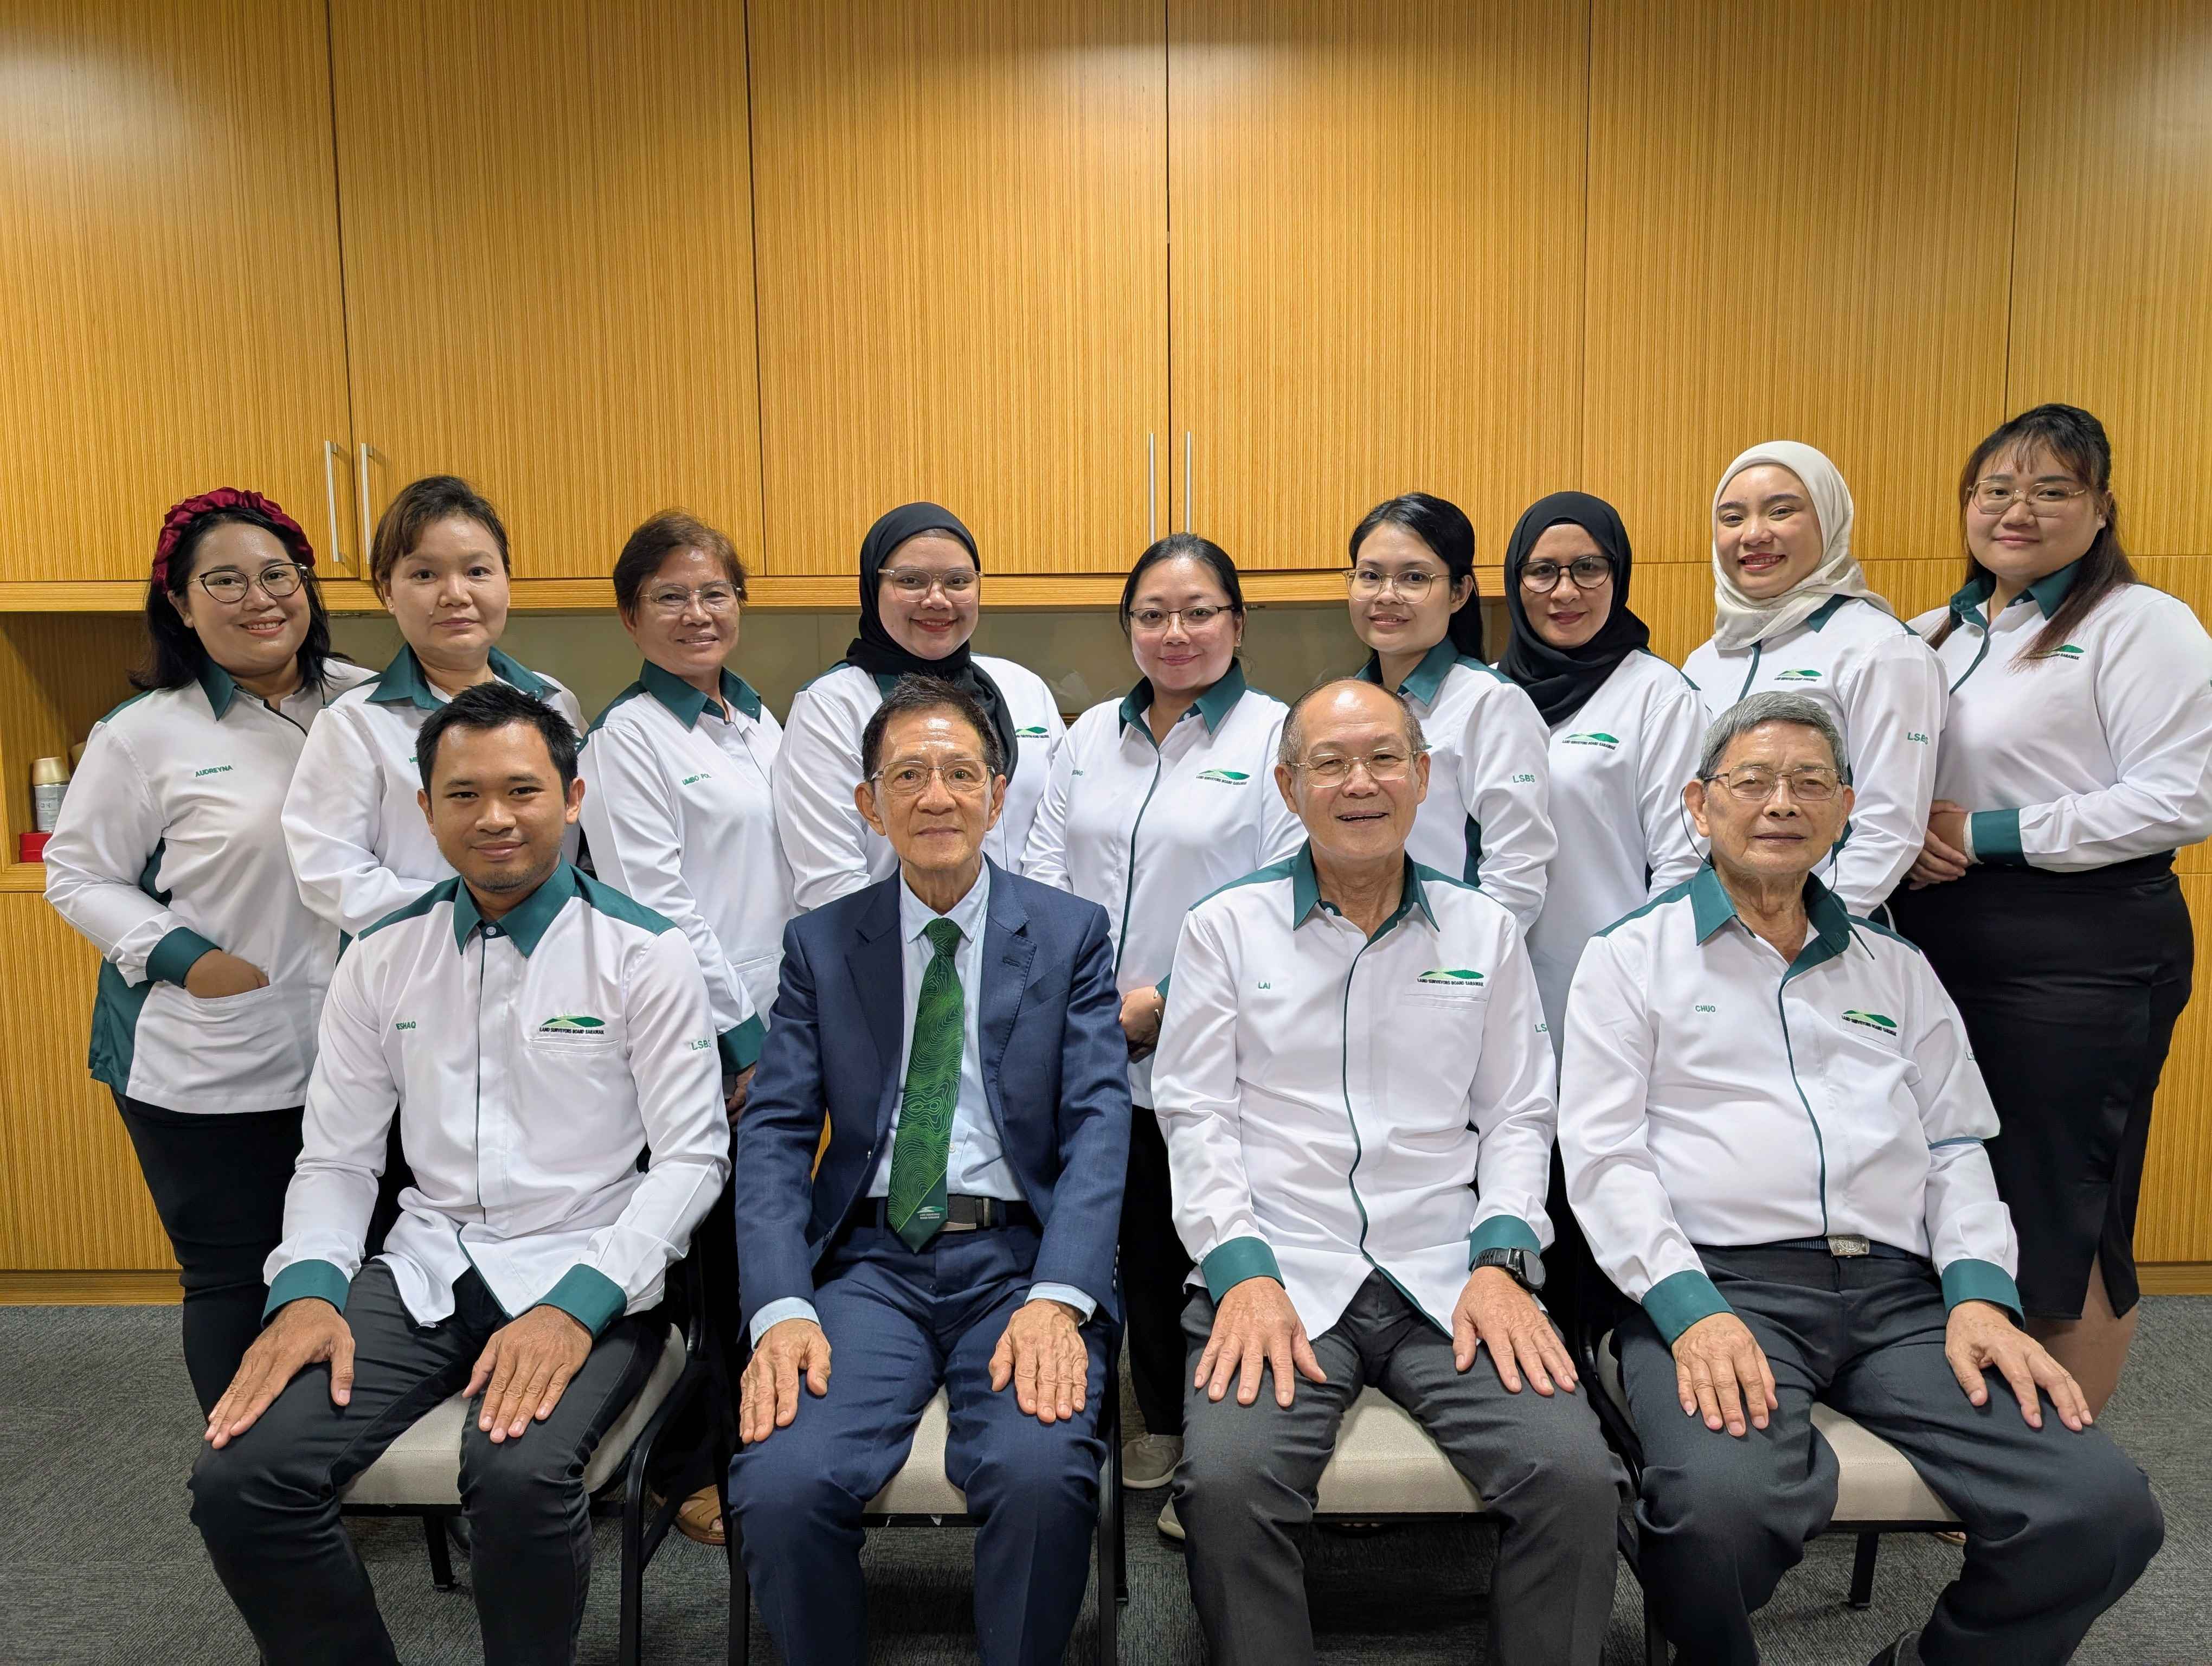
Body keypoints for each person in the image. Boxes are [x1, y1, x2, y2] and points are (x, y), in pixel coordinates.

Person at [1558, 692, 2163, 1666]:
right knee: (1716, 1517)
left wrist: (1979, 1295)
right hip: (1724, 1284)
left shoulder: (1898, 968)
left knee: (2102, 1510)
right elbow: (1604, 1155)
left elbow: (1957, 1144)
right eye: (1753, 781)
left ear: (1845, 810)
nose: (1781, 803)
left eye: (1810, 783)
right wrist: (1687, 1307)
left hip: (1902, 1297)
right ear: (1700, 804)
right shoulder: (1629, 958)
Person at [189, 683, 730, 1666]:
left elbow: (693, 1158)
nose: (494, 818)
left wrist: (577, 1306)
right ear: (426, 808)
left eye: (522, 790)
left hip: (591, 1268)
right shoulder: (381, 957)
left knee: (517, 1478)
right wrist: (306, 1288)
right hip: (427, 1269)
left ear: (572, 799)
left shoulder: (644, 954)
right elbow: (338, 1156)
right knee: (242, 1479)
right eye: (464, 794)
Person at [1152, 676, 1625, 1666]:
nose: (1359, 783)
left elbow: (1519, 1112)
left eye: (1383, 759)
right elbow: (1196, 1116)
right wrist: (1241, 1271)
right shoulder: (1223, 929)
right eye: (1329, 763)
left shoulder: (1483, 930)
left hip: (1450, 1272)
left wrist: (1504, 1257)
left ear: (1423, 776)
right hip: (1279, 1266)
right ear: (1289, 786)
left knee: (1577, 1482)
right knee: (1227, 1490)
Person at [728, 676, 1129, 1666]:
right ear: (870, 804)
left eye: (960, 772)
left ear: (999, 792)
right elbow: (775, 1134)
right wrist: (780, 1306)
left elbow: (1098, 1123)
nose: (937, 796)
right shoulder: (823, 944)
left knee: (1041, 1478)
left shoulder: (1069, 932)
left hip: (1019, 1261)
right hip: (868, 1266)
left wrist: (1061, 1295)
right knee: (780, 1486)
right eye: (908, 775)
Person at [1891, 403, 2212, 1415]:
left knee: (2063, 1201)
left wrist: (1984, 832)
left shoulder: (2139, 622)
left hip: (2081, 948)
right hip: (1935, 938)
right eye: (1996, 489)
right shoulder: (1932, 633)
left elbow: (2185, 794)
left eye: (2051, 489)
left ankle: (2066, 1462)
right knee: (1958, 1182)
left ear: (2102, 506)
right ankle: (1981, 1434)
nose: (2016, 510)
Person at [44, 489, 373, 1416]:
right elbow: (77, 874)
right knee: (236, 1279)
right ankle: (249, 1474)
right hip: (208, 1061)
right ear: (181, 605)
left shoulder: (367, 702)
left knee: (359, 1267)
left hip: (363, 1052)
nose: (260, 598)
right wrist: (189, 958)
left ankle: (347, 1459)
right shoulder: (145, 733)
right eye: (224, 581)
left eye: (278, 575)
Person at [1023, 533, 1302, 1497]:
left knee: (1216, 1231)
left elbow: (1284, 894)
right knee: (1133, 1225)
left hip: (1224, 1035)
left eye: (1198, 612)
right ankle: (1164, 1415)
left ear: (1238, 623)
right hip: (1092, 1033)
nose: (1175, 632)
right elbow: (1044, 868)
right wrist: (1087, 1000)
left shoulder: (1276, 737)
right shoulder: (1088, 738)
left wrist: (1163, 1003)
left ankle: (1236, 1431)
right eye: (1152, 615)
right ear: (1129, 627)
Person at [578, 508, 792, 1543]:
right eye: (670, 596)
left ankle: (751, 1439)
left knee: (762, 1244)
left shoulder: (754, 718)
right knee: (709, 1262)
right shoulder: (628, 737)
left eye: (714, 592)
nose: (697, 613)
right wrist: (740, 1039)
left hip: (778, 1020)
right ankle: (684, 1469)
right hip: (701, 1037)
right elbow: (654, 906)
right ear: (631, 616)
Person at [282, 475, 584, 940]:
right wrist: (486, 918)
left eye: (478, 571)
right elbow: (332, 877)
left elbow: (579, 845)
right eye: (425, 575)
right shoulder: (354, 722)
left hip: (555, 947)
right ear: (387, 591)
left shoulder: (554, 701)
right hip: (417, 957)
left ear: (507, 581)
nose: (456, 594)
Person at [1681, 443, 1944, 917]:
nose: (1754, 534)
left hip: (1822, 931)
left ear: (1829, 519)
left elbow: (1888, 829)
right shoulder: (1704, 660)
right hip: (1709, 926)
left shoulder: (1882, 649)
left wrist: (1806, 930)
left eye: (1781, 511)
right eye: (1733, 518)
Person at [773, 503, 1065, 910]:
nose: (937, 599)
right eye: (911, 580)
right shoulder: (830, 706)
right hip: (888, 943)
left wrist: (1035, 932)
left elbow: (1055, 842)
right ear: (872, 587)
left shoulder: (1024, 689)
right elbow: (831, 881)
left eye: (958, 581)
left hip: (1030, 935)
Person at [1495, 490, 1705, 1039]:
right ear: (1516, 582)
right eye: (1542, 571)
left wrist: (1643, 984)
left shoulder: (1659, 695)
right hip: (1488, 984)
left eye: (1588, 568)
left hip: (1611, 989)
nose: (1565, 591)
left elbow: (1682, 867)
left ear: (1619, 574)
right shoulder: (1487, 695)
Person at [1345, 492, 1554, 933]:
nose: (1386, 595)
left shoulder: (1491, 703)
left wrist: (1461, 965)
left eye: (1414, 578)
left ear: (1459, 592)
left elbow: (1516, 875)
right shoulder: (1344, 704)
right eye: (1370, 576)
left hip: (1448, 954)